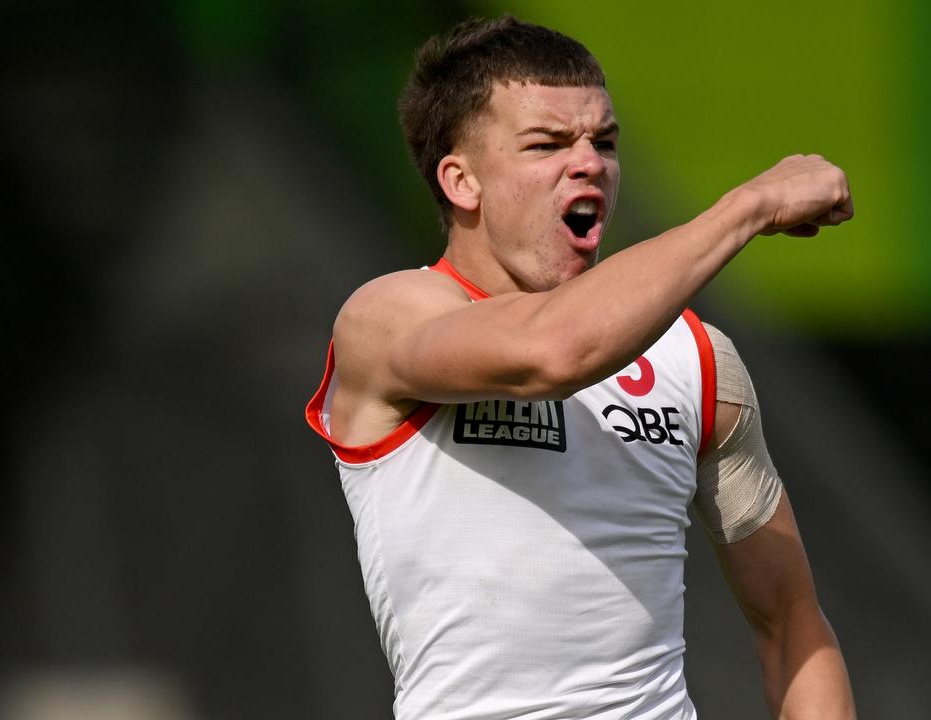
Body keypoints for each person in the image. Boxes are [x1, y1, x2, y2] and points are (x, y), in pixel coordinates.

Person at [305, 15, 856, 720]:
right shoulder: (388, 318)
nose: (589, 162)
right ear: (461, 180)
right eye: (548, 143)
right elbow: (552, 353)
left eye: (605, 141)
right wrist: (747, 207)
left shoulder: (697, 358)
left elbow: (792, 624)